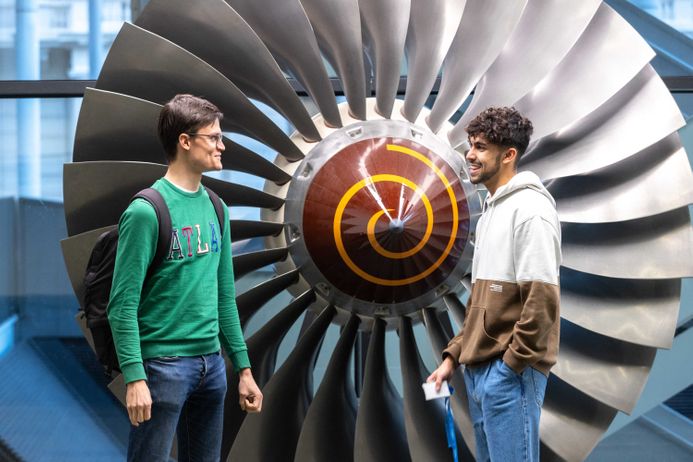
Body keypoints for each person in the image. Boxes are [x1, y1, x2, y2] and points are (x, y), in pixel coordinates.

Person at [108, 94, 263, 461]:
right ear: (185, 141)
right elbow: (122, 305)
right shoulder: (146, 212)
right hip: (162, 369)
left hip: (211, 367)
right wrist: (134, 377)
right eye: (214, 138)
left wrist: (243, 369)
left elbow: (225, 295)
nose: (222, 146)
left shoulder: (216, 207)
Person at [427, 107, 561, 461]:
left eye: (481, 147)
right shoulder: (492, 211)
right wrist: (453, 358)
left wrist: (510, 367)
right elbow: (480, 305)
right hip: (481, 371)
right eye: (471, 145)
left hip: (508, 375)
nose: (469, 154)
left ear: (509, 155)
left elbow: (542, 303)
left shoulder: (530, 210)